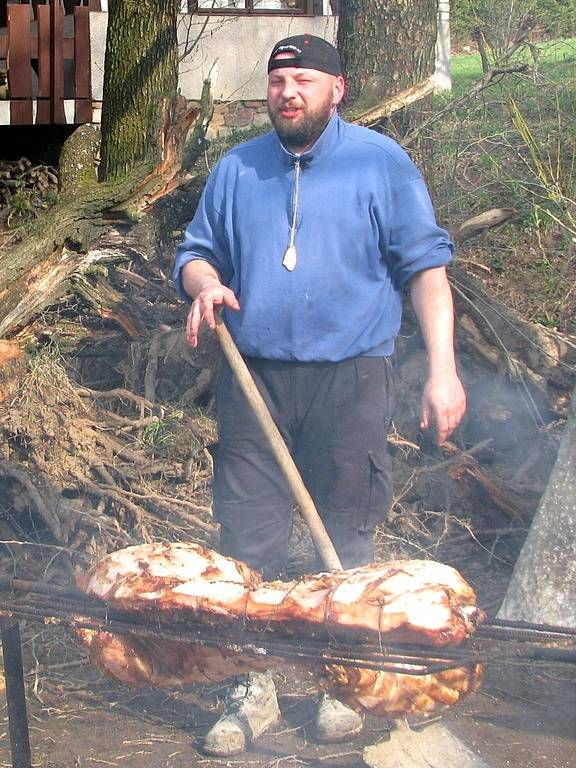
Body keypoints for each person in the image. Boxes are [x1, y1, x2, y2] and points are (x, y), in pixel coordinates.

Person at [174, 33, 466, 756]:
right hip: (255, 379)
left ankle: (347, 680)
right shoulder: (238, 168)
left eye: (303, 79)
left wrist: (443, 369)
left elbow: (426, 270)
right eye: (277, 81)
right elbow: (195, 251)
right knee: (249, 542)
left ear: (337, 89)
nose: (287, 93)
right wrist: (205, 283)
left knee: (347, 536)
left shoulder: (381, 163)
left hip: (353, 378)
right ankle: (253, 686)